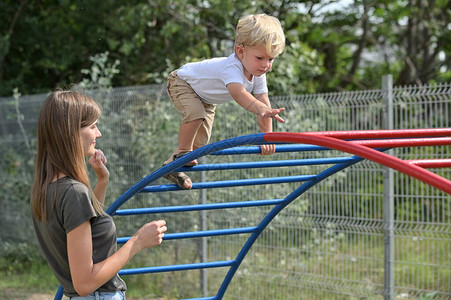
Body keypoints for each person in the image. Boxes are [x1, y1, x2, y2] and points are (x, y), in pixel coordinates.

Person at [30, 90, 167, 299]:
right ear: (71, 133)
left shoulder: (47, 188)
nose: (99, 133)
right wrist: (137, 241)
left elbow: (88, 232)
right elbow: (85, 283)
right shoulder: (73, 192)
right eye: (93, 126)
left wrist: (102, 181)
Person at [163, 13, 286, 189]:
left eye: (271, 59)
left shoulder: (258, 72)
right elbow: (240, 94)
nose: (266, 65)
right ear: (240, 51)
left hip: (206, 98)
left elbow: (263, 102)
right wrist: (261, 109)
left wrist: (266, 138)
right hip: (182, 82)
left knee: (201, 141)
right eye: (260, 58)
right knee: (195, 115)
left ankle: (171, 166)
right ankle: (183, 152)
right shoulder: (232, 67)